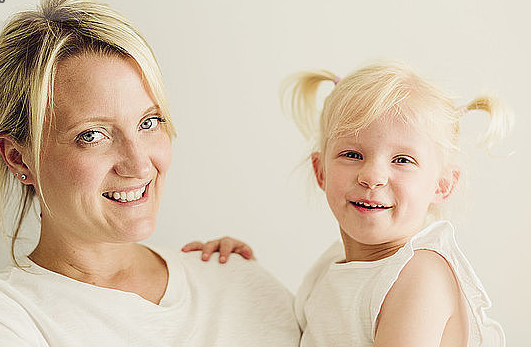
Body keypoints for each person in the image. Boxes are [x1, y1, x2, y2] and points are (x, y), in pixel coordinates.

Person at [0, 0, 300, 346]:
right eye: (92, 135)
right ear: (18, 157)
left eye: (149, 122)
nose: (139, 164)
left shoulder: (235, 278)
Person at [186, 62, 510, 346]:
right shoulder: (334, 265)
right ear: (321, 171)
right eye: (352, 155)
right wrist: (242, 278)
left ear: (442, 185)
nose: (372, 177)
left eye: (402, 160)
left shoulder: (419, 275)